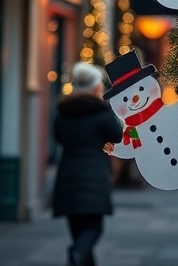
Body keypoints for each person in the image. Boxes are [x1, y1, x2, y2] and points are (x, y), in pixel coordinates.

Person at [53, 62, 123, 266]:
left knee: (78, 231)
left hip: (67, 176)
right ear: (96, 87)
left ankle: (78, 253)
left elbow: (58, 136)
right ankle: (75, 253)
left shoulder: (63, 112)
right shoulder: (101, 113)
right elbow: (117, 136)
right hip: (93, 176)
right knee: (94, 229)